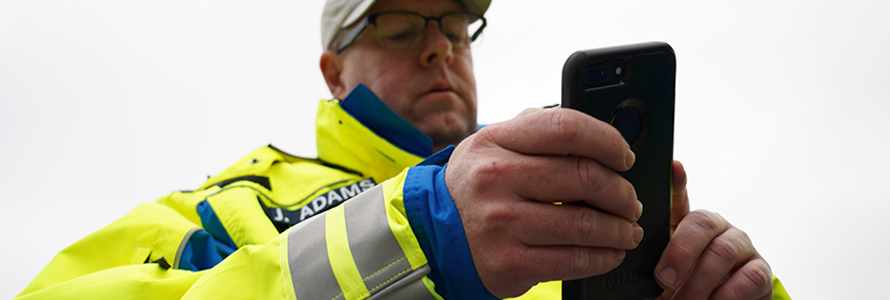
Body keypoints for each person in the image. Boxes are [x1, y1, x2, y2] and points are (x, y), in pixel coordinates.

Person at [16, 0, 790, 299]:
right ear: (333, 68)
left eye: (454, 27)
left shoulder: (566, 222)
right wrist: (417, 233)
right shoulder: (230, 207)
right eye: (397, 23)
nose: (436, 48)